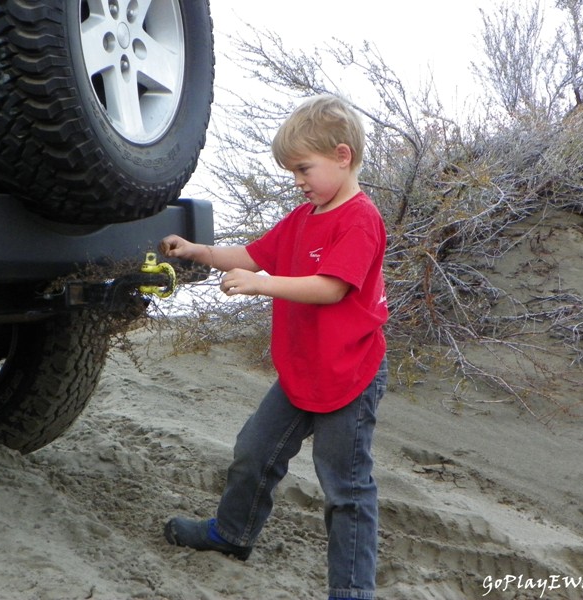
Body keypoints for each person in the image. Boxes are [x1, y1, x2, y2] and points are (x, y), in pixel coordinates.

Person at [158, 94, 389, 600]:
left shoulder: (360, 219)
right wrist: (200, 251)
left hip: (350, 372)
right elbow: (254, 253)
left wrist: (262, 284)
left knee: (346, 491)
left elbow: (331, 287)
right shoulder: (303, 216)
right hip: (301, 368)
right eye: (292, 171)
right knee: (254, 452)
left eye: (304, 168)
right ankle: (232, 534)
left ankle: (352, 592)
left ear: (343, 155)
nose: (298, 180)